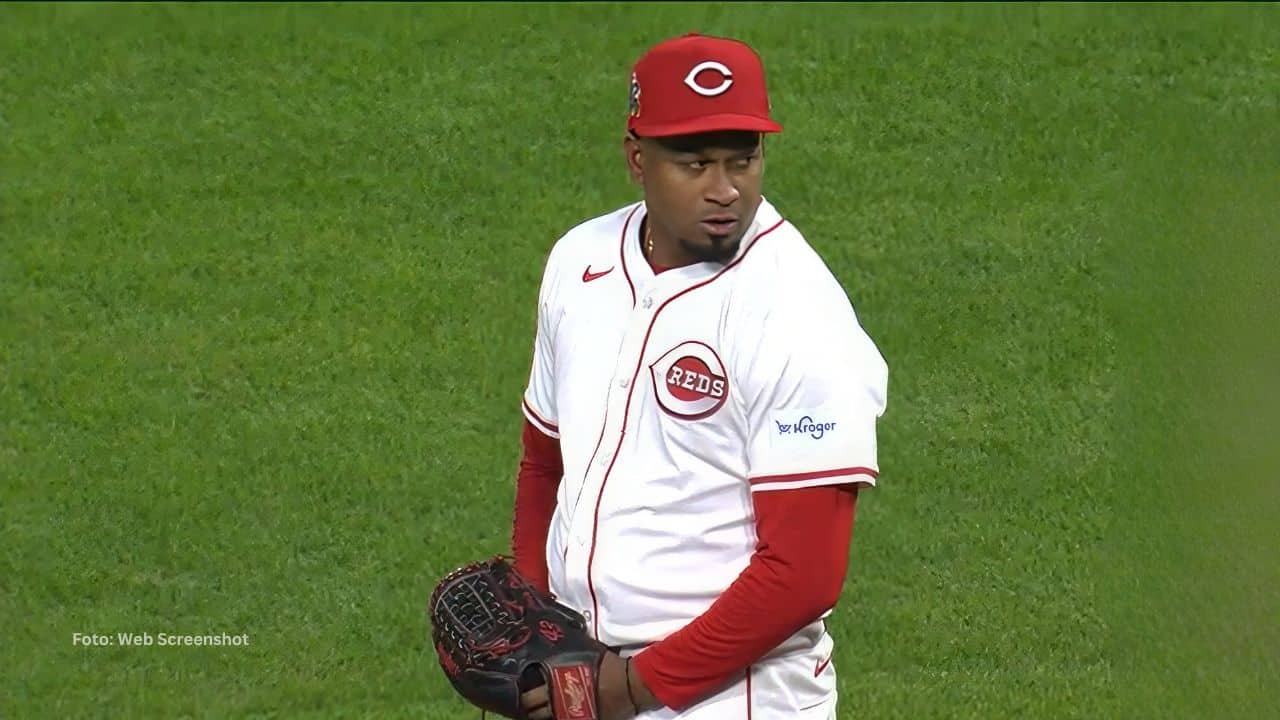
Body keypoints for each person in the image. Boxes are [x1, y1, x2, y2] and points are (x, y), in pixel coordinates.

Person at [510, 32, 888, 720]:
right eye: (695, 164)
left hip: (733, 697)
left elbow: (803, 573)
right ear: (637, 159)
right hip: (586, 677)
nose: (725, 190)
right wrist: (535, 641)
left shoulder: (798, 312)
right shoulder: (579, 262)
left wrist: (626, 689)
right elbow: (545, 463)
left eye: (744, 160)